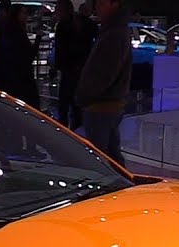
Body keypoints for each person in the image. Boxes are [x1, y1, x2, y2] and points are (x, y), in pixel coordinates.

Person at [76, 0, 131, 165]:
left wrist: (85, 96)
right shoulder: (114, 31)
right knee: (111, 154)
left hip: (101, 104)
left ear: (114, 4)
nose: (97, 8)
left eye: (101, 4)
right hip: (108, 102)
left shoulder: (113, 34)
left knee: (98, 158)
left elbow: (104, 73)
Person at [53, 0, 94, 129]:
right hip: (80, 66)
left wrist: (56, 66)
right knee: (75, 101)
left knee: (64, 101)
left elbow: (60, 48)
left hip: (68, 67)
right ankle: (77, 126)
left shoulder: (63, 26)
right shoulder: (84, 24)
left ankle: (64, 127)